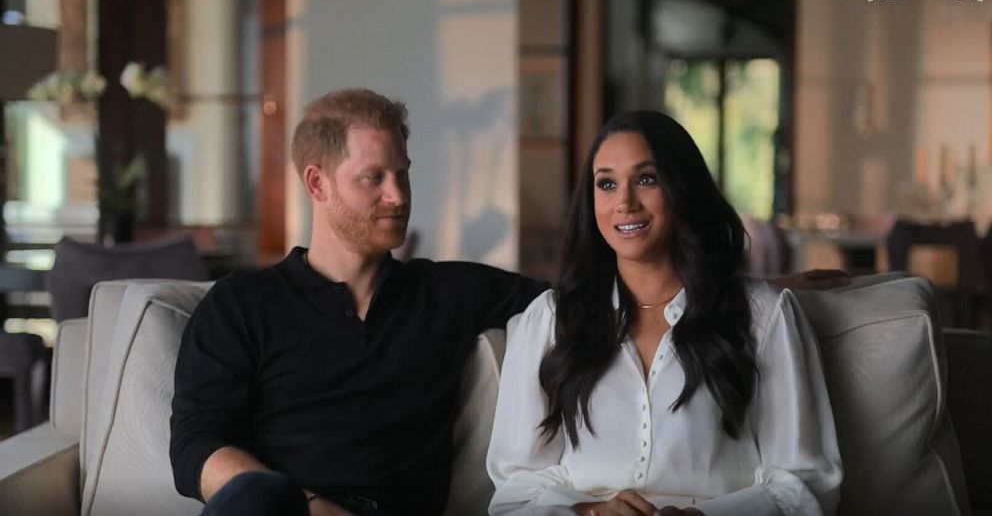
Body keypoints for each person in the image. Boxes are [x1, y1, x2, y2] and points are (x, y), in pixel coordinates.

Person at [170, 88, 547, 516]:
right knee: (252, 496)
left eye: (402, 175)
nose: (399, 196)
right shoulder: (242, 304)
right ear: (317, 183)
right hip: (282, 510)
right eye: (375, 178)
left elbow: (581, 305)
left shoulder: (446, 293)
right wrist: (309, 508)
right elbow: (196, 443)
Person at [486, 111, 843, 516]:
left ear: (681, 188)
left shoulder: (763, 316)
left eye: (646, 179)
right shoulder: (551, 321)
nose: (625, 202)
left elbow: (806, 484)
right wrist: (590, 512)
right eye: (606, 183)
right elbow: (514, 494)